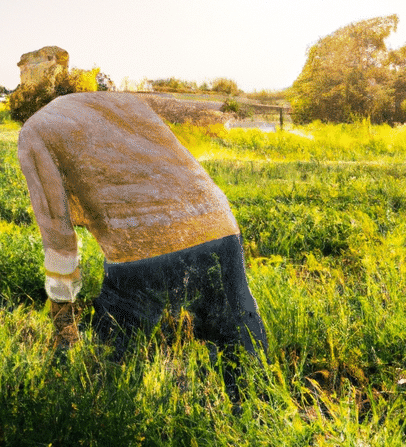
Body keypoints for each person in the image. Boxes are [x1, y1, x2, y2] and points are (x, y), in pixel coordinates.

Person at [16, 83, 268, 386]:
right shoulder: (118, 102)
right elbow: (184, 116)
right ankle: (254, 411)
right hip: (216, 223)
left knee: (113, 359)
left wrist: (63, 312)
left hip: (140, 248)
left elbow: (57, 230)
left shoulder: (34, 130)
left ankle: (100, 416)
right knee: (238, 335)